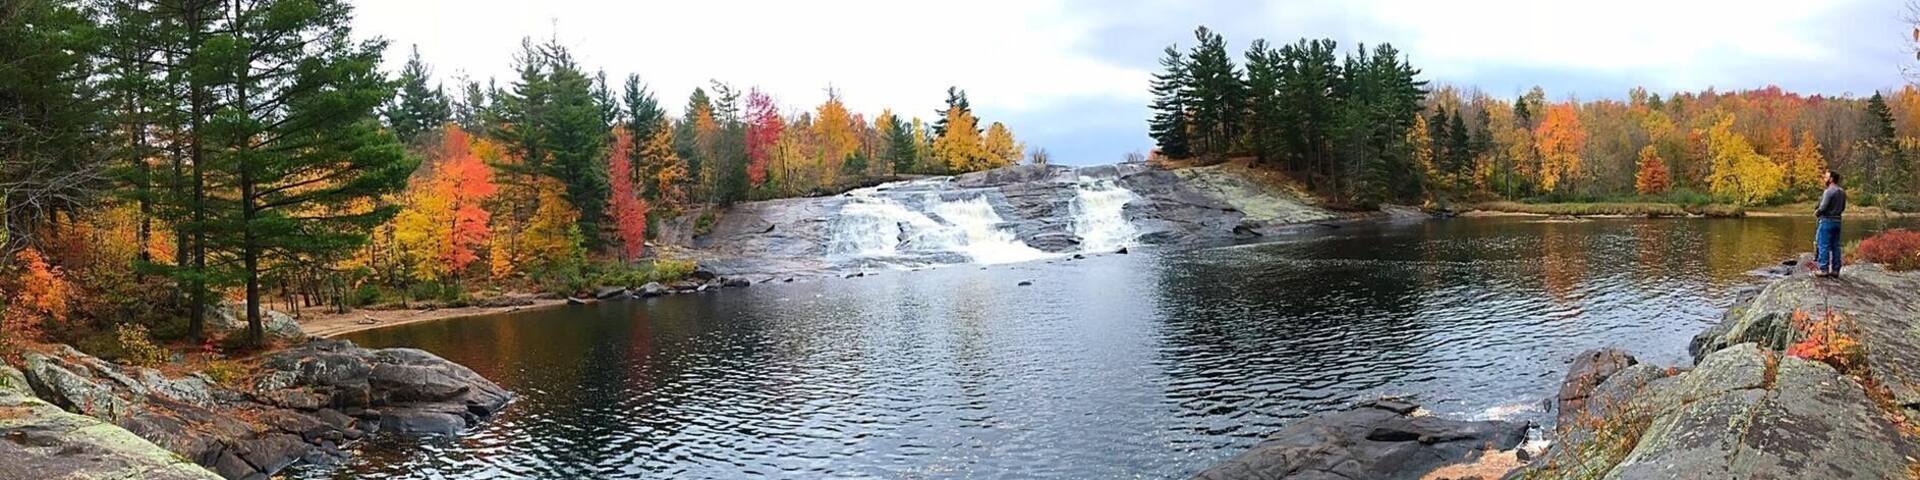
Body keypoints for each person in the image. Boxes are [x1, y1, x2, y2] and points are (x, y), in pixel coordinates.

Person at [1814, 171, 1846, 278]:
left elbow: (1823, 207)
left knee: (1823, 245)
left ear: (1831, 179)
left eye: (1826, 177)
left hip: (1827, 221)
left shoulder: (1828, 191)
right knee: (1836, 246)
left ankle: (1823, 269)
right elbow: (1842, 208)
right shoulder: (1842, 191)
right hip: (1838, 222)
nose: (1824, 178)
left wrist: (1817, 212)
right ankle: (1836, 270)